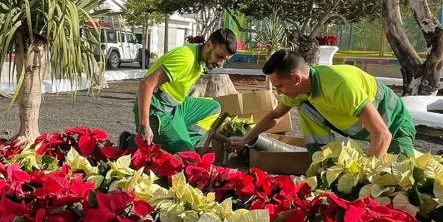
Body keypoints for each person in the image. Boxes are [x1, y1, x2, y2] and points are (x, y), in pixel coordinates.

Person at [230, 49, 416, 158]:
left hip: (395, 127)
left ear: (296, 78)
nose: (278, 92)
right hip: (366, 128)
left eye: (279, 86)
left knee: (398, 181)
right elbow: (273, 117)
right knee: (304, 108)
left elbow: (383, 134)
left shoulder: (341, 85)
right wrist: (245, 139)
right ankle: (324, 160)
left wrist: (364, 176)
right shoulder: (300, 90)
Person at [128, 28, 237, 153]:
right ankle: (132, 143)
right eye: (219, 56)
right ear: (208, 45)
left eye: (224, 60)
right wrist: (144, 125)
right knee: (188, 158)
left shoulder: (200, 59)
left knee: (214, 108)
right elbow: (145, 85)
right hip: (157, 111)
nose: (220, 64)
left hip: (175, 108)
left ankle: (179, 145)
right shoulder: (186, 59)